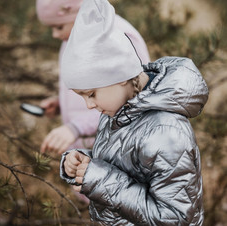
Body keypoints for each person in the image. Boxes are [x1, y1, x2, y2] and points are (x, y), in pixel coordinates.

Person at [59, 0, 208, 224]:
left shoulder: (166, 132)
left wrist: (100, 180)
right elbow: (126, 168)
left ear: (119, 78)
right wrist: (85, 162)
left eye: (91, 94)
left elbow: (176, 218)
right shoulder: (119, 111)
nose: (89, 105)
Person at [36, 0, 150, 155]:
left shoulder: (118, 38)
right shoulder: (72, 39)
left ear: (77, 13)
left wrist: (77, 127)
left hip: (118, 150)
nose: (55, 34)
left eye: (59, 26)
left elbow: (135, 98)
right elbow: (94, 86)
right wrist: (61, 104)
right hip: (89, 153)